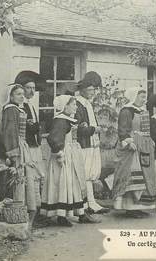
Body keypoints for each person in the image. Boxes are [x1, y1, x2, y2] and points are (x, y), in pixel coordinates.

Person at [41, 95, 100, 226]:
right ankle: (62, 216)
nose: (76, 106)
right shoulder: (60, 121)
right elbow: (53, 138)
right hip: (64, 157)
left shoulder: (67, 120)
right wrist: (59, 153)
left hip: (72, 154)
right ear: (64, 106)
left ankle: (81, 212)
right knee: (64, 184)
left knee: (76, 183)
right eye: (73, 104)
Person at [0, 84, 43, 230]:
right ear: (11, 96)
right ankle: (18, 213)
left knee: (26, 179)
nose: (22, 96)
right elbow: (10, 132)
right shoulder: (10, 109)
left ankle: (26, 214)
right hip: (17, 148)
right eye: (18, 94)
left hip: (23, 146)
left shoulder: (17, 109)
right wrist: (12, 153)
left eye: (23, 94)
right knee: (19, 179)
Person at [111, 87, 156, 218]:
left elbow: (146, 128)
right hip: (132, 147)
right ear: (134, 96)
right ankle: (130, 207)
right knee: (132, 176)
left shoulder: (143, 111)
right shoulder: (126, 111)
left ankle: (139, 206)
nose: (144, 99)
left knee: (144, 176)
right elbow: (122, 129)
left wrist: (150, 139)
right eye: (142, 97)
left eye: (144, 96)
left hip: (144, 146)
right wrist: (128, 141)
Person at [75, 71, 110, 214]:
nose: (92, 92)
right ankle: (84, 204)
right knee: (84, 174)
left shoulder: (87, 104)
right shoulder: (78, 104)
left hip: (91, 143)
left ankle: (91, 202)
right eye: (90, 89)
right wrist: (94, 129)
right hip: (83, 143)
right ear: (82, 90)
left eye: (94, 89)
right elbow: (79, 127)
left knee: (90, 174)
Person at [14, 71, 47, 224]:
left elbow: (36, 127)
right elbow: (28, 128)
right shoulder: (20, 108)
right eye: (28, 88)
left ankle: (37, 211)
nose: (32, 91)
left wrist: (36, 128)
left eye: (33, 88)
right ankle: (30, 212)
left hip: (35, 145)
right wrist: (34, 127)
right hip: (27, 147)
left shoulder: (31, 105)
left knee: (38, 178)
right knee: (30, 178)